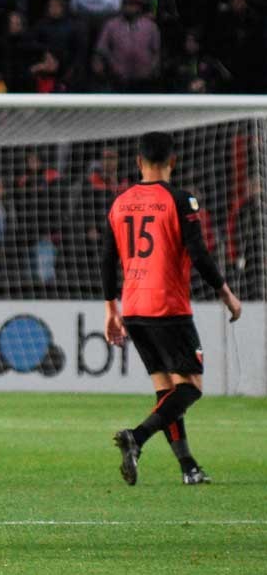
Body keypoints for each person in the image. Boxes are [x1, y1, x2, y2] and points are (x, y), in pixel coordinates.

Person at [104, 131, 241, 486]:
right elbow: (199, 253)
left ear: (138, 162)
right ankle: (137, 436)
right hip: (167, 305)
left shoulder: (120, 202)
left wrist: (110, 310)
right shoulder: (180, 200)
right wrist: (225, 292)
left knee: (167, 393)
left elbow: (107, 260)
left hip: (133, 307)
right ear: (173, 161)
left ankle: (188, 467)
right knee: (191, 387)